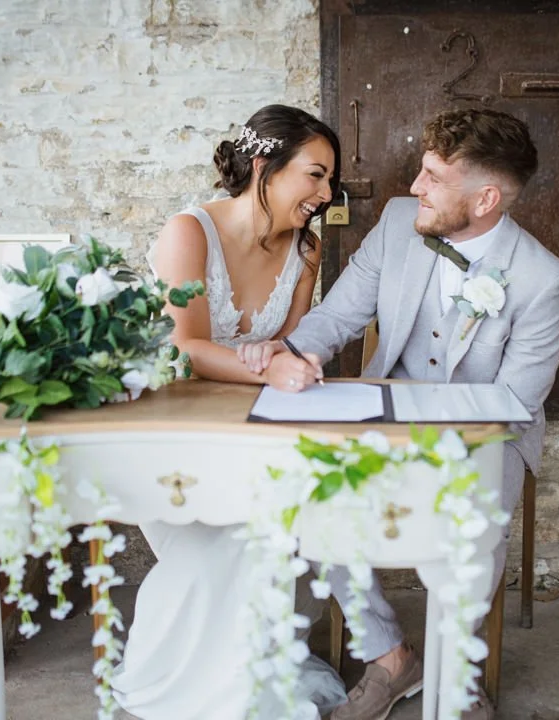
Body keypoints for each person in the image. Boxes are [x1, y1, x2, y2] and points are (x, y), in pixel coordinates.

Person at [239, 108, 559, 720]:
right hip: (384, 415)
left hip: (487, 434)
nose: (414, 187)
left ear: (486, 198)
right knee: (319, 492)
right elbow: (337, 316)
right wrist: (293, 352)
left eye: (432, 177)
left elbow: (517, 401)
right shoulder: (398, 224)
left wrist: (436, 442)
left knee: (477, 511)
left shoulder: (543, 279)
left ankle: (459, 670)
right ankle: (390, 655)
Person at [111, 104, 345, 720]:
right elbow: (184, 349)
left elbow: (288, 348)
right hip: (171, 434)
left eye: (329, 180)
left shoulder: (303, 250)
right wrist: (265, 366)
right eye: (315, 176)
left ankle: (244, 679)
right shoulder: (188, 232)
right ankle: (180, 686)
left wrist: (286, 350)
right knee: (228, 544)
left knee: (284, 527)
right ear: (265, 167)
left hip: (255, 435)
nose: (326, 194)